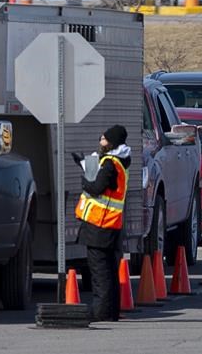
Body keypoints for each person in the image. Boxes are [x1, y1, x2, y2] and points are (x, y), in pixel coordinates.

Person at [72, 124, 131, 322]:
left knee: (100, 273)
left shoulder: (110, 163)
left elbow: (97, 187)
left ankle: (101, 312)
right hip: (111, 225)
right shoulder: (119, 162)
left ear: (111, 142)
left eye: (104, 139)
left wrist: (84, 182)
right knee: (109, 273)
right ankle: (110, 311)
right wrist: (83, 164)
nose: (100, 142)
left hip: (100, 225)